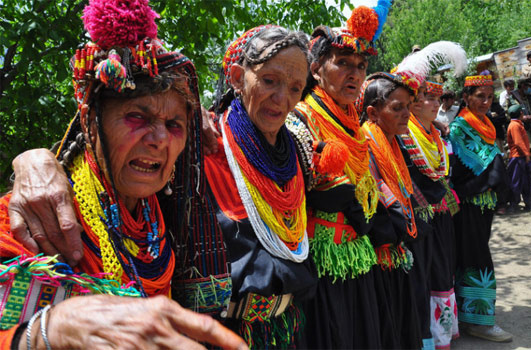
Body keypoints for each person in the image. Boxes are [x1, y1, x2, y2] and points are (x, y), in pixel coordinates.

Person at [0, 0, 246, 349]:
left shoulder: (165, 211)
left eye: (174, 124)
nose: (160, 139)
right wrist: (51, 331)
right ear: (89, 120)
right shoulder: (35, 218)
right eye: (137, 117)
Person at [203, 25, 318, 348]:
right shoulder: (207, 144)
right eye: (269, 81)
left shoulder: (295, 150)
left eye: (296, 88)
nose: (282, 99)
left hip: (286, 328)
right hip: (223, 335)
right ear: (238, 78)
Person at [288, 2, 391, 348]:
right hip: (324, 262)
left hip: (359, 252)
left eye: (361, 66)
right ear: (317, 69)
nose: (355, 74)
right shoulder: (302, 118)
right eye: (343, 63)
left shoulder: (353, 121)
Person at [391, 41, 467, 350]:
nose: (435, 103)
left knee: (442, 272)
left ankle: (443, 335)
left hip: (441, 217)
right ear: (412, 103)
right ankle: (426, 339)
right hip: (419, 221)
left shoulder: (437, 135)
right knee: (421, 277)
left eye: (438, 97)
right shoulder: (402, 136)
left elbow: (443, 174)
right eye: (426, 98)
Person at [358, 71, 423, 349]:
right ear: (372, 112)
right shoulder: (365, 144)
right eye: (397, 108)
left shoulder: (393, 142)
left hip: (394, 251)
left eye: (408, 106)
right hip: (378, 256)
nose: (406, 113)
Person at [448, 73, 512, 343]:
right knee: (477, 259)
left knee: (471, 256)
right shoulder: (460, 127)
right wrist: (495, 176)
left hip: (482, 204)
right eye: (479, 96)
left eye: (488, 96)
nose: (485, 102)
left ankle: (467, 315)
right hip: (469, 203)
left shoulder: (485, 124)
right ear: (466, 97)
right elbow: (488, 165)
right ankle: (478, 322)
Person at [506, 104, 531, 213]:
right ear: (520, 113)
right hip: (519, 157)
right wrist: (527, 155)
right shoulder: (515, 126)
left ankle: (529, 204)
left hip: (520, 157)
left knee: (527, 181)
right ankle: (513, 204)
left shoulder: (517, 124)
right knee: (516, 181)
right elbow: (518, 142)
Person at [509, 78, 531, 186]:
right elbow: (509, 115)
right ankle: (528, 182)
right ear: (522, 85)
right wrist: (527, 117)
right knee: (526, 158)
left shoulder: (530, 98)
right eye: (529, 86)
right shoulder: (512, 98)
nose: (530, 89)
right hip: (521, 131)